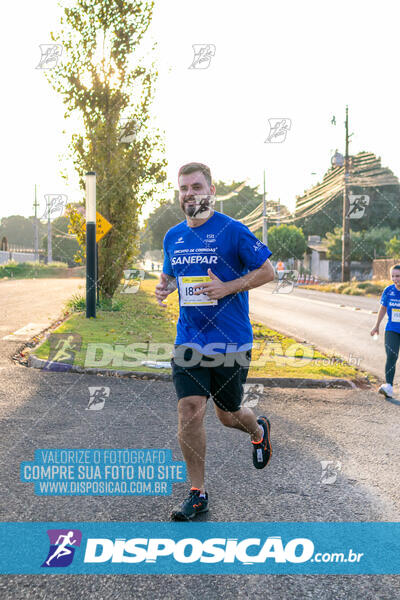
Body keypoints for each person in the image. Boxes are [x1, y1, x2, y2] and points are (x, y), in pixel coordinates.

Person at [155, 162, 275, 521]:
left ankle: (257, 429)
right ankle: (197, 493)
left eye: (195, 187)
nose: (189, 194)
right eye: (184, 189)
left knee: (228, 415)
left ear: (211, 191)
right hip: (189, 340)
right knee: (189, 411)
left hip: (231, 342)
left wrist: (228, 286)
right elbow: (171, 276)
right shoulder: (172, 236)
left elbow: (268, 270)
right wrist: (166, 287)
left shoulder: (233, 231)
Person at [370, 264, 400, 398]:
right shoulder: (388, 291)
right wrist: (376, 326)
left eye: (398, 276)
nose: (395, 279)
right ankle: (388, 386)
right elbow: (383, 309)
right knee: (391, 355)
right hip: (392, 329)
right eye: (393, 276)